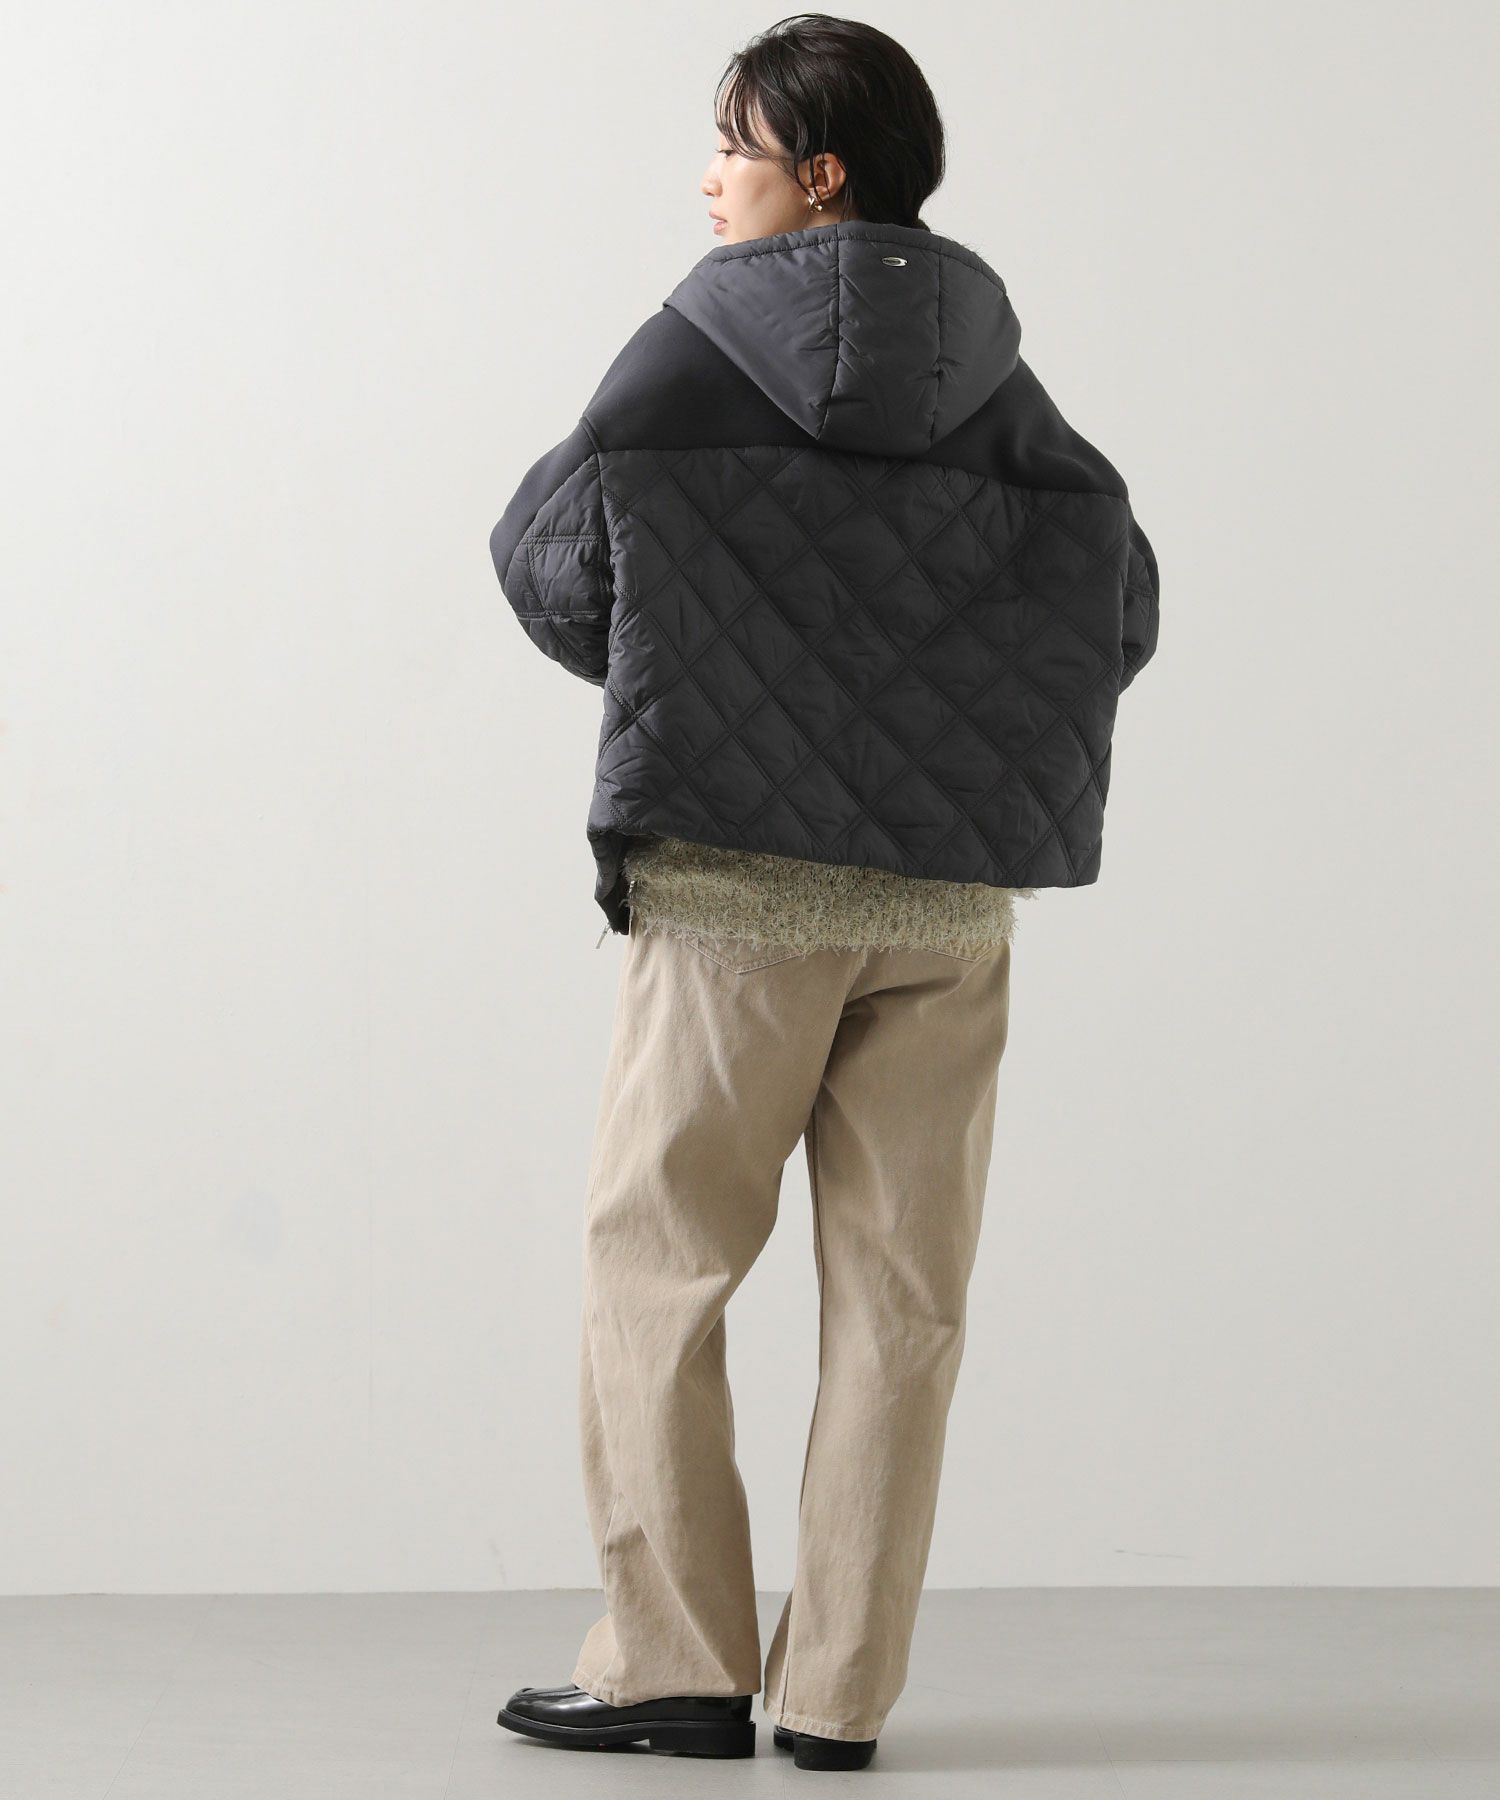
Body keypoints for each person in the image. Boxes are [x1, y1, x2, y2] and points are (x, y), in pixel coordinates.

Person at [488, 12, 1160, 1774]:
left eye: (735, 143)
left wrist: (709, 675)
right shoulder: (998, 371)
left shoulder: (697, 340)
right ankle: (838, 1699)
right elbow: (1121, 604)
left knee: (661, 1269)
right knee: (903, 1305)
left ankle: (673, 1666)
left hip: (736, 889)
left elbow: (544, 558)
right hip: (945, 911)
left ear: (823, 172)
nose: (709, 177)